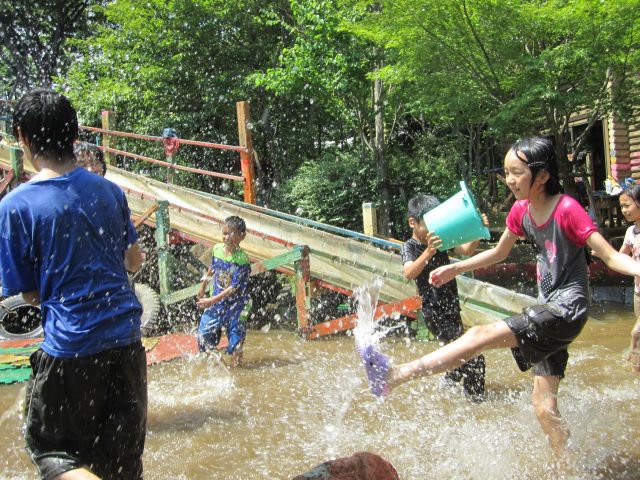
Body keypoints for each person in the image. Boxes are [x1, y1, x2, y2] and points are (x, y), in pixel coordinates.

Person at [357, 136, 640, 457]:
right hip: (547, 309)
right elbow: (499, 252)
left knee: (479, 335)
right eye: (506, 172)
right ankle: (567, 468)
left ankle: (395, 374)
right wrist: (456, 269)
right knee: (544, 409)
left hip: (568, 308)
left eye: (516, 172)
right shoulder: (521, 210)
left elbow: (610, 256)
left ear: (542, 175)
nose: (509, 180)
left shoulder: (567, 209)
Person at [0, 89, 146, 480]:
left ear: (23, 137)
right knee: (122, 465)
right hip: (128, 345)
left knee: (53, 454)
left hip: (72, 350)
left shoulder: (16, 207)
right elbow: (133, 260)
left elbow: (29, 293)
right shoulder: (110, 191)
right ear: (74, 133)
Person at [401, 194, 487, 400]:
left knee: (456, 356)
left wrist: (478, 231)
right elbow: (409, 273)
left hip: (451, 306)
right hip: (433, 310)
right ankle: (477, 404)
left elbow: (466, 251)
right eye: (429, 223)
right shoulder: (409, 246)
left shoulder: (441, 239)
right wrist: (428, 252)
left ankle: (447, 394)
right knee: (474, 358)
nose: (434, 227)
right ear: (413, 222)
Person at [196, 215, 251, 368]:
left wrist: (211, 301)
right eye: (225, 233)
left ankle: (237, 371)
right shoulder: (217, 249)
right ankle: (219, 365)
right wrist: (203, 287)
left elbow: (233, 288)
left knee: (236, 341)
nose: (227, 237)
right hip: (217, 301)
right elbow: (211, 269)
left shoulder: (242, 260)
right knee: (203, 334)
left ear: (242, 236)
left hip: (237, 306)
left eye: (231, 234)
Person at [618, 184, 640, 372]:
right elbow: (621, 256)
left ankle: (633, 373)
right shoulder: (630, 232)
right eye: (622, 207)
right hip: (638, 293)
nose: (624, 211)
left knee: (636, 334)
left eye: (627, 205)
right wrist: (602, 254)